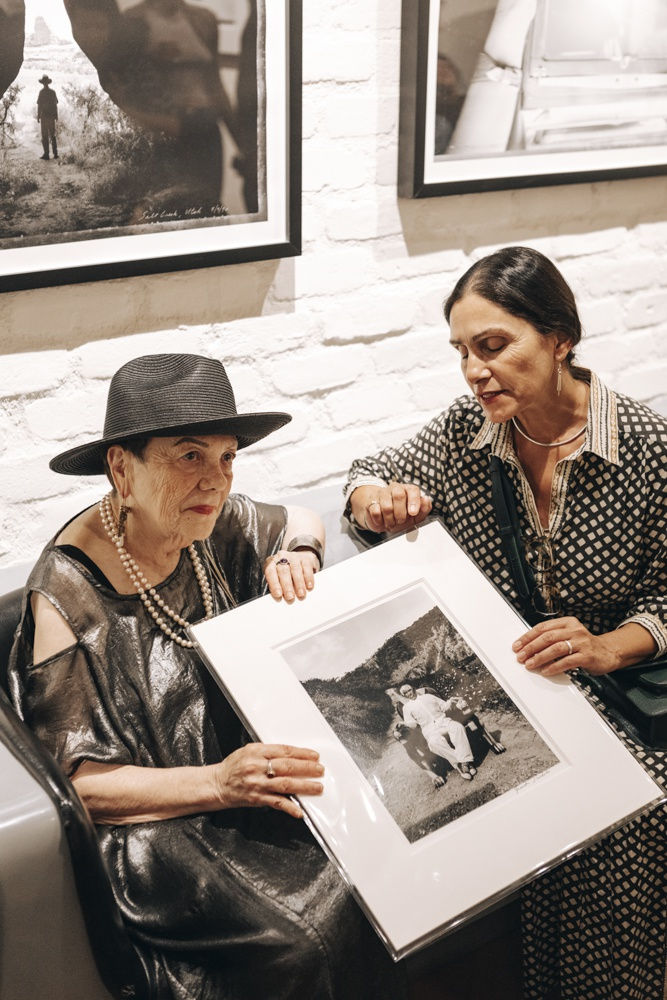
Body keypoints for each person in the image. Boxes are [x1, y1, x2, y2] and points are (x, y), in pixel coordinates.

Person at [8, 354, 405, 1000]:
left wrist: (299, 554)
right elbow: (82, 786)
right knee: (298, 940)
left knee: (374, 865)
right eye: (190, 456)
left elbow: (298, 520)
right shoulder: (66, 594)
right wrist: (219, 783)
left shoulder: (205, 521)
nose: (215, 481)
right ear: (121, 469)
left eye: (227, 458)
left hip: (243, 780)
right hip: (156, 826)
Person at [345, 246, 667, 1000]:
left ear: (559, 339)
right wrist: (372, 500)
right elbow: (367, 471)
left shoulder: (649, 449)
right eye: (461, 351)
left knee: (626, 822)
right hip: (506, 687)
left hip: (616, 693)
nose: (473, 371)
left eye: (492, 345)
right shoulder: (466, 431)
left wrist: (606, 647)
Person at [396, 683, 476, 780]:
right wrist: (404, 723)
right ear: (404, 695)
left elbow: (444, 706)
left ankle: (465, 762)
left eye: (409, 690)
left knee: (458, 727)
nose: (409, 693)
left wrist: (450, 701)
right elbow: (413, 724)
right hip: (429, 729)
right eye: (405, 693)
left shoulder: (428, 696)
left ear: (413, 689)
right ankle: (462, 763)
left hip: (443, 721)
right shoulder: (406, 708)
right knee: (434, 743)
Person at [37, 73, 58, 160]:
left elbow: (39, 105)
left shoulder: (41, 92)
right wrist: (56, 116)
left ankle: (46, 154)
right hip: (51, 116)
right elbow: (55, 105)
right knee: (52, 135)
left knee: (45, 136)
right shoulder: (52, 92)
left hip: (44, 116)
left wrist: (38, 116)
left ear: (43, 83)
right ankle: (55, 153)